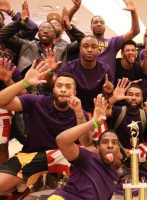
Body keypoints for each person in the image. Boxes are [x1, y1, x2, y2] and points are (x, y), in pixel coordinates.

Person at [0, 62, 88, 198]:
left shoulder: (79, 111)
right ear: (53, 90)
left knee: (86, 179)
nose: (63, 90)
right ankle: (22, 187)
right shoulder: (38, 101)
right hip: (31, 155)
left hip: (64, 156)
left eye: (68, 87)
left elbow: (86, 143)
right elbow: (1, 102)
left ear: (74, 92)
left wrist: (79, 114)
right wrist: (24, 82)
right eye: (59, 86)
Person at [48, 94, 120, 200]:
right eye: (105, 142)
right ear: (98, 148)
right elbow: (61, 140)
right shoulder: (87, 157)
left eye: (114, 143)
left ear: (118, 148)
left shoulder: (115, 177)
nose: (110, 146)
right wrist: (94, 122)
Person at [0, 1, 85, 74]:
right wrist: (21, 22)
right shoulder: (27, 45)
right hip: (28, 87)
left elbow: (84, 42)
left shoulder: (65, 48)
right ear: (38, 34)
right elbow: (3, 35)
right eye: (42, 29)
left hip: (55, 87)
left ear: (54, 34)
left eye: (49, 29)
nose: (45, 31)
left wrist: (69, 28)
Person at [108, 81, 147, 170]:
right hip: (118, 148)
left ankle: (136, 171)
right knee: (113, 156)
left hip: (137, 149)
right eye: (130, 95)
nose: (133, 98)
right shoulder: (117, 110)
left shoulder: (145, 113)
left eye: (137, 95)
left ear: (142, 99)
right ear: (125, 98)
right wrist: (114, 98)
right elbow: (101, 110)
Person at [89, 0, 140, 83]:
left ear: (105, 26)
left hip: (107, 87)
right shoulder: (85, 42)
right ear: (91, 26)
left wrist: (133, 12)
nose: (99, 24)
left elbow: (135, 31)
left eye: (102, 22)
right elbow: (68, 27)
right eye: (95, 22)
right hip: (87, 84)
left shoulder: (113, 42)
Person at [57, 35, 110, 114]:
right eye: (85, 46)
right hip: (70, 111)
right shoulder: (69, 67)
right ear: (80, 49)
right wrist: (50, 72)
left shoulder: (105, 69)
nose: (89, 50)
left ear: (98, 50)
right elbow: (54, 87)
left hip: (96, 112)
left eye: (93, 47)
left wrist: (108, 92)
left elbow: (108, 99)